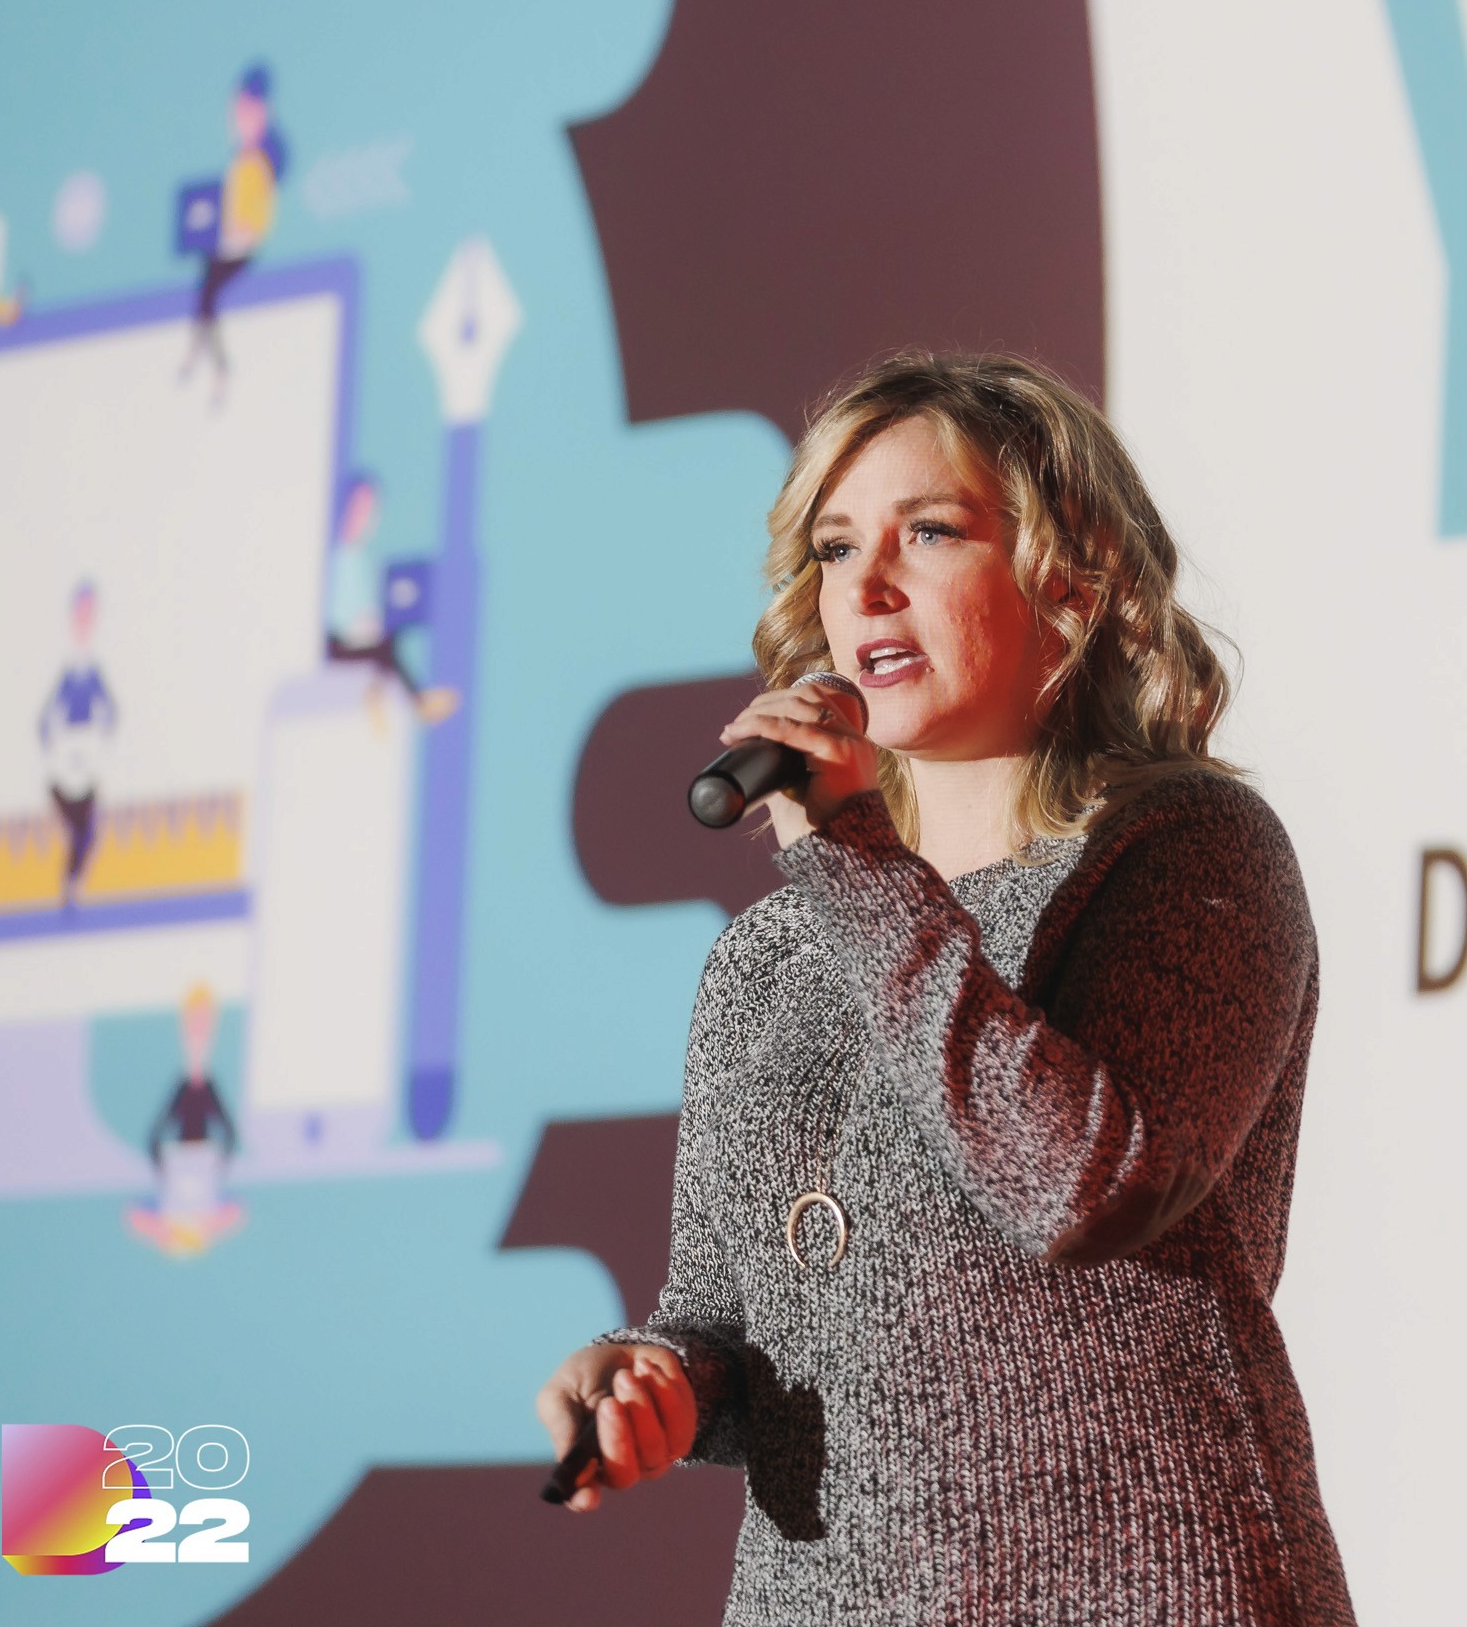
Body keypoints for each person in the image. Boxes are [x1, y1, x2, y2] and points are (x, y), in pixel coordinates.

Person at [534, 352, 1353, 1625]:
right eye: (835, 547)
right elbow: (735, 1321)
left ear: (1071, 576)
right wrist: (659, 1378)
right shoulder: (769, 954)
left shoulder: (1189, 850)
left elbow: (1083, 1181)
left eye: (928, 532)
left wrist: (855, 858)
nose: (865, 585)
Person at [177, 63, 287, 407]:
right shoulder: (241, 162)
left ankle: (210, 364)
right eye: (236, 109)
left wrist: (234, 235)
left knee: (207, 295)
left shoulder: (255, 165)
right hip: (229, 246)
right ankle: (204, 358)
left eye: (246, 109)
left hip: (241, 248)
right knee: (205, 296)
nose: (238, 117)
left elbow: (253, 219)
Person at [322, 472, 457, 726]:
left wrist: (370, 623)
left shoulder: (360, 560)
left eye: (369, 511)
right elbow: (331, 612)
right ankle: (407, 699)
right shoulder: (333, 555)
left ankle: (387, 696)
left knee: (388, 638)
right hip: (332, 641)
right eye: (358, 507)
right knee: (384, 647)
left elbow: (364, 609)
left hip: (356, 638)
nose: (362, 517)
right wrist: (356, 626)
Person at [127, 981, 245, 1256]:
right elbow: (236, 1211)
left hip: (190, 1153)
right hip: (193, 1155)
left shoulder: (173, 1209)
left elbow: (134, 1215)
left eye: (203, 1029)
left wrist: (164, 1232)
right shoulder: (201, 1211)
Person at [37, 580, 118, 910]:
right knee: (80, 830)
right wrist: (51, 741)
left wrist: (102, 734)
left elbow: (109, 706)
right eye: (81, 611)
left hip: (86, 756)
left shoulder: (94, 662)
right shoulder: (65, 661)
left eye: (90, 611)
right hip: (66, 758)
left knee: (86, 831)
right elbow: (48, 712)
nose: (85, 618)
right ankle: (69, 884)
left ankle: (71, 884)